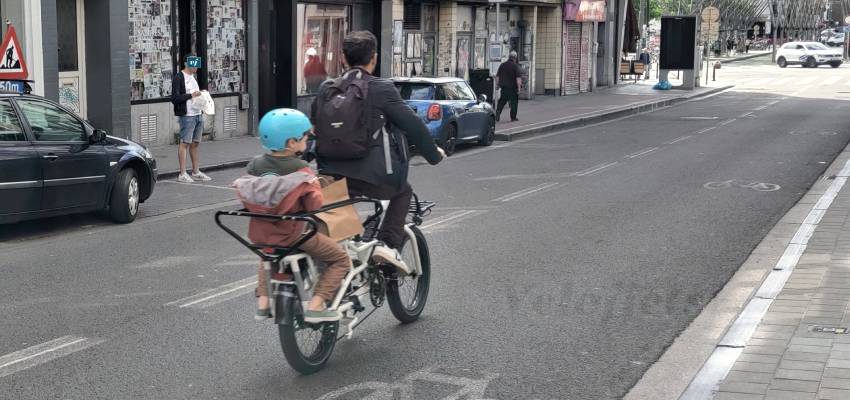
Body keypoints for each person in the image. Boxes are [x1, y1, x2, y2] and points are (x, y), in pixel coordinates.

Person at [311, 31, 444, 275]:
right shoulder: (382, 88)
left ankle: (345, 273)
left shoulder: (326, 89)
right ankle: (388, 245)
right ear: (373, 58)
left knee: (341, 228)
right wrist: (433, 155)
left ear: (343, 58)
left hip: (331, 176)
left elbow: (314, 129)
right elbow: (412, 124)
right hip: (375, 179)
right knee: (403, 190)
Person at [233, 108, 350, 323]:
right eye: (305, 136)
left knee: (267, 256)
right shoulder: (302, 170)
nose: (307, 139)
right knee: (340, 259)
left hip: (261, 234)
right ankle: (316, 305)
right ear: (291, 143)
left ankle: (263, 303)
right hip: (294, 234)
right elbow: (314, 203)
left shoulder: (254, 166)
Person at [171, 55, 211, 183]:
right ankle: (182, 173)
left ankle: (196, 171)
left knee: (195, 144)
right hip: (187, 116)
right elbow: (175, 98)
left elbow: (196, 96)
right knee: (185, 143)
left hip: (197, 114)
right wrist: (191, 95)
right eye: (194, 63)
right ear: (186, 63)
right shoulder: (179, 77)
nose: (196, 66)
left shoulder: (193, 78)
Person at [495, 51, 522, 122]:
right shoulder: (516, 66)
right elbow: (518, 79)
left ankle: (497, 113)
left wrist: (497, 85)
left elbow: (497, 77)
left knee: (501, 102)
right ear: (515, 58)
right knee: (514, 103)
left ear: (509, 57)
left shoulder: (502, 65)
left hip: (504, 88)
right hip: (513, 89)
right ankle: (513, 117)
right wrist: (519, 88)